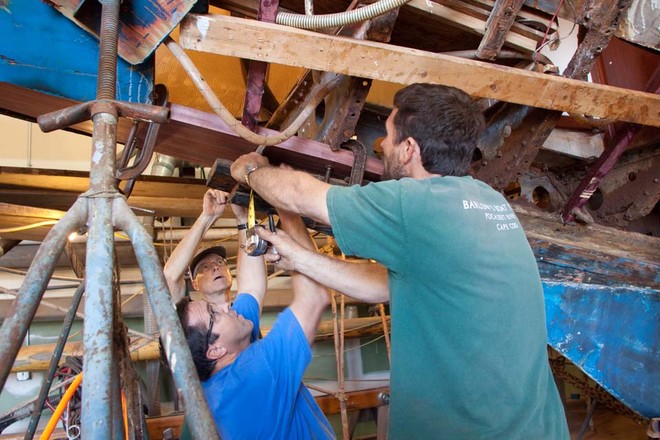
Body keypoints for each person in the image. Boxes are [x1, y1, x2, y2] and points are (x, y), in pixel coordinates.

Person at [230, 83, 570, 439]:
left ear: (409, 149)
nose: (381, 144)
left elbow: (302, 194)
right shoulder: (488, 200)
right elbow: (384, 285)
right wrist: (299, 258)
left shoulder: (414, 204)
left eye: (389, 136)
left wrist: (251, 171)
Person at [176, 209, 335, 439]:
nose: (226, 307)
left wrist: (243, 221)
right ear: (216, 350)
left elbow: (250, 289)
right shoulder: (255, 372)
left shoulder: (215, 376)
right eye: (215, 313)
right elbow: (315, 297)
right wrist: (288, 210)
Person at [164, 189, 245, 304]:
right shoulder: (190, 316)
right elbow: (170, 277)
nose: (216, 268)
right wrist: (207, 216)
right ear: (195, 283)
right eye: (205, 267)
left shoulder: (242, 312)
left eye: (220, 262)